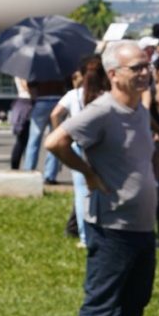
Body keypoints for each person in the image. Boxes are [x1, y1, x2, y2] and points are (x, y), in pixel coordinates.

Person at [44, 42, 157, 316]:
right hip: (111, 226)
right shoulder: (102, 111)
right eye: (136, 67)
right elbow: (55, 141)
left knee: (133, 303)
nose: (145, 72)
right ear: (114, 74)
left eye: (147, 66)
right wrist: (89, 175)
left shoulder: (139, 110)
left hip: (142, 225)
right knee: (100, 303)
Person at [52, 57, 110, 249]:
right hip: (101, 146)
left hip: (77, 145)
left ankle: (85, 237)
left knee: (82, 192)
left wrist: (59, 132)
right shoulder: (107, 96)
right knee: (105, 189)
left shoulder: (73, 95)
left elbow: (55, 114)